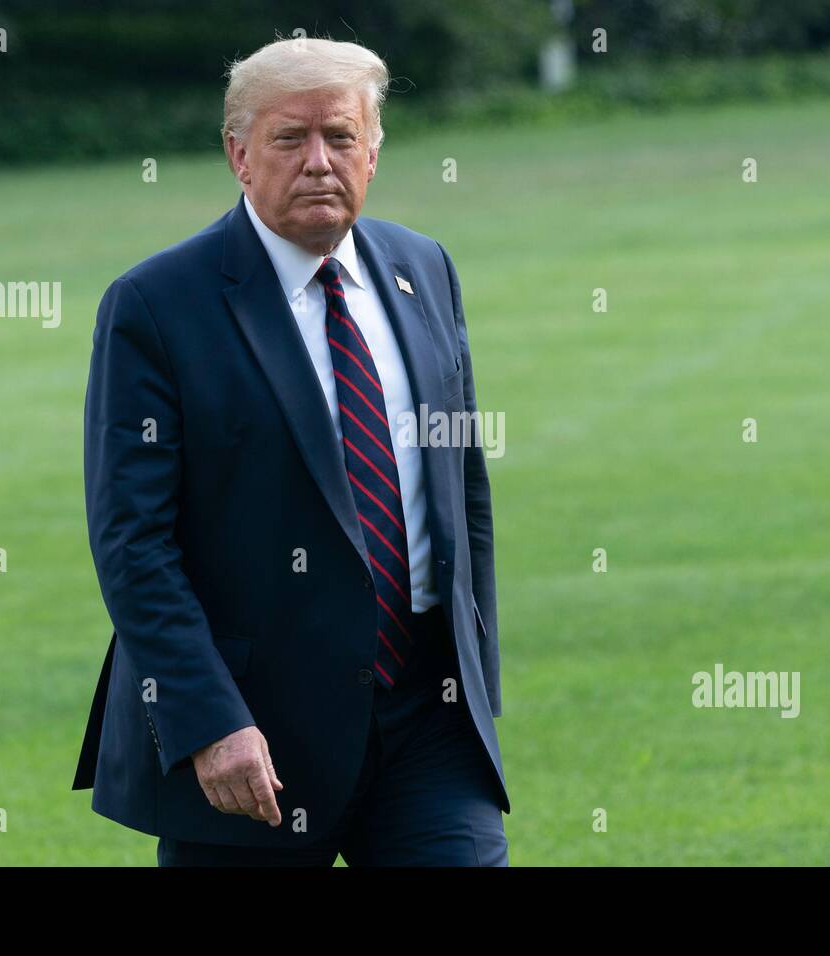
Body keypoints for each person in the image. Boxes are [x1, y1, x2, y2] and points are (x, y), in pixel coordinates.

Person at [72, 36, 509, 866]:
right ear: (238, 154)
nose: (319, 162)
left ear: (373, 151)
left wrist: (475, 675)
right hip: (250, 740)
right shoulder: (157, 306)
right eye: (289, 139)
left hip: (427, 720)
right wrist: (209, 721)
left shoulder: (425, 268)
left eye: (340, 137)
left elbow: (462, 488)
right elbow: (133, 542)